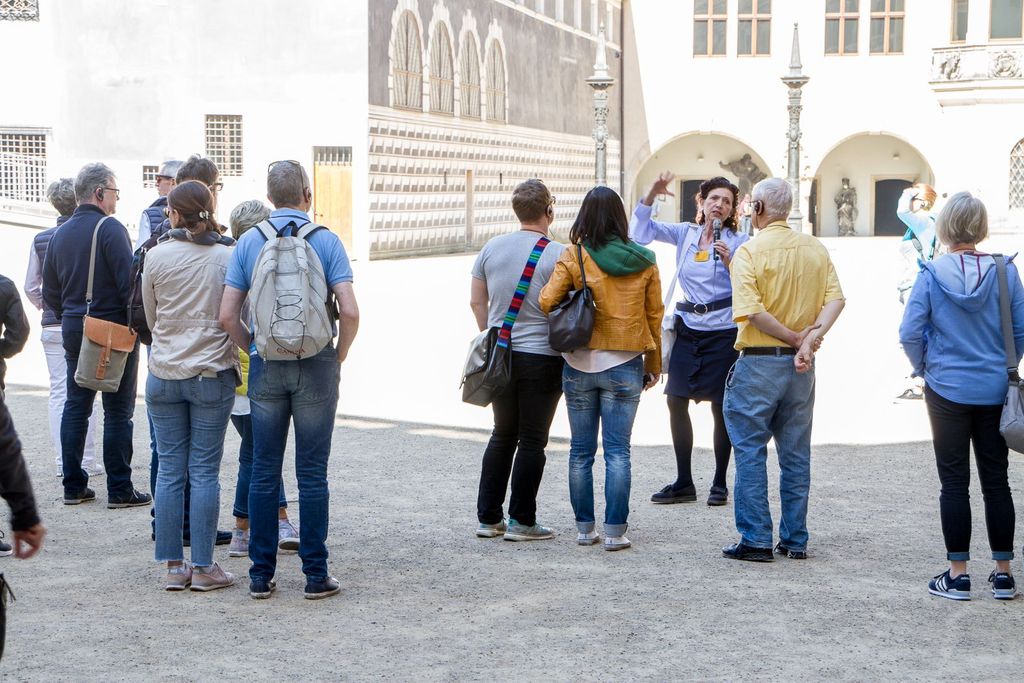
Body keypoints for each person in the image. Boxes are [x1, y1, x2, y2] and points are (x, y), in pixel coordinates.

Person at [220, 160, 359, 600]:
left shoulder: (248, 242)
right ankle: (316, 575)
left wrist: (255, 349)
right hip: (317, 361)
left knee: (264, 470)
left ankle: (261, 575)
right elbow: (351, 311)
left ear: (269, 196)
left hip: (267, 364)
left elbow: (227, 315)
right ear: (307, 195)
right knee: (312, 474)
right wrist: (337, 356)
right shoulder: (327, 240)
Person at [899, 192, 1020, 601]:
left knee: (954, 483)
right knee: (996, 481)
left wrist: (925, 366)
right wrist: (1004, 363)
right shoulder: (1006, 271)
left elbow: (909, 332)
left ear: (947, 227)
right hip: (994, 389)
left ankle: (958, 573)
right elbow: (1020, 331)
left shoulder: (931, 273)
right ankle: (1003, 573)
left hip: (947, 387)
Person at [722, 178, 845, 562]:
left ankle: (756, 537)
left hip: (759, 363)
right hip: (800, 368)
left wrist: (795, 339)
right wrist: (807, 342)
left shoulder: (749, 252)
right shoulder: (815, 248)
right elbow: (836, 300)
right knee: (795, 454)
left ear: (757, 208)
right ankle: (795, 538)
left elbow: (753, 311)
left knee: (749, 450)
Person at [539, 186, 663, 551]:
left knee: (580, 451)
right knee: (618, 451)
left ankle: (584, 529)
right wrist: (654, 365)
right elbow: (655, 316)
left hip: (579, 363)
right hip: (626, 363)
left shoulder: (574, 255)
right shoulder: (645, 259)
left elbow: (547, 300)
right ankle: (615, 532)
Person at [632, 173, 748, 507]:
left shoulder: (738, 241)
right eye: (714, 198)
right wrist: (650, 196)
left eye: (726, 201)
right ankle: (684, 480)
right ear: (701, 201)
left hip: (723, 331)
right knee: (675, 399)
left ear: (732, 209)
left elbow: (749, 285)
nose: (719, 205)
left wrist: (730, 262)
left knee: (720, 406)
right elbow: (641, 234)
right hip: (687, 326)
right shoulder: (685, 233)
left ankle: (719, 482)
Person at [143, 180, 237, 591]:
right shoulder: (227, 257)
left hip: (164, 371)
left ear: (175, 214)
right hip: (210, 373)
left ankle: (172, 567)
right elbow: (236, 314)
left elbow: (150, 315)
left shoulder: (156, 255)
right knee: (203, 472)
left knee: (169, 470)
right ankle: (203, 567)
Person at [41, 163, 151, 509]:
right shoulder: (110, 228)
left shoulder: (59, 233)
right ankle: (119, 488)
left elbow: (51, 291)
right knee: (118, 411)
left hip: (74, 325)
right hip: (111, 327)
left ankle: (74, 485)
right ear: (100, 193)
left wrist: (71, 314)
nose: (117, 200)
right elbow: (127, 284)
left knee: (78, 404)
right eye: (115, 193)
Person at [470, 179, 566, 542]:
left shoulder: (491, 248)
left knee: (502, 434)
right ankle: (522, 520)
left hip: (502, 353)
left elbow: (477, 301)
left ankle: (488, 517)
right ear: (548, 210)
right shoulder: (558, 253)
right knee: (532, 439)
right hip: (542, 357)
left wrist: (494, 334)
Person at [224, 199, 299, 559]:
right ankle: (264, 522)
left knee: (254, 452)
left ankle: (248, 527)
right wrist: (252, 346)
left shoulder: (230, 260)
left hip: (233, 376)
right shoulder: (258, 264)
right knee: (259, 454)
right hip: (252, 373)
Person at [25, 179, 103, 478]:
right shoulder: (91, 235)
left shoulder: (42, 239)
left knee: (60, 392)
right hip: (87, 320)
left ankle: (63, 462)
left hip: (53, 324)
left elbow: (31, 286)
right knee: (88, 391)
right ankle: (88, 459)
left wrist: (46, 307)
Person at [896, 183, 938, 400]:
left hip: (914, 284)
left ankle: (917, 381)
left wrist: (908, 193)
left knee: (910, 334)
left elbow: (901, 210)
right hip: (912, 284)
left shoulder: (923, 221)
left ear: (921, 201)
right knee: (919, 334)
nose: (908, 200)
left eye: (913, 197)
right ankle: (920, 380)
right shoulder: (925, 223)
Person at [136, 160, 182, 248]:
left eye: (159, 179)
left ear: (173, 182)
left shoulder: (149, 215)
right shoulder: (198, 210)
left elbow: (140, 252)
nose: (156, 184)